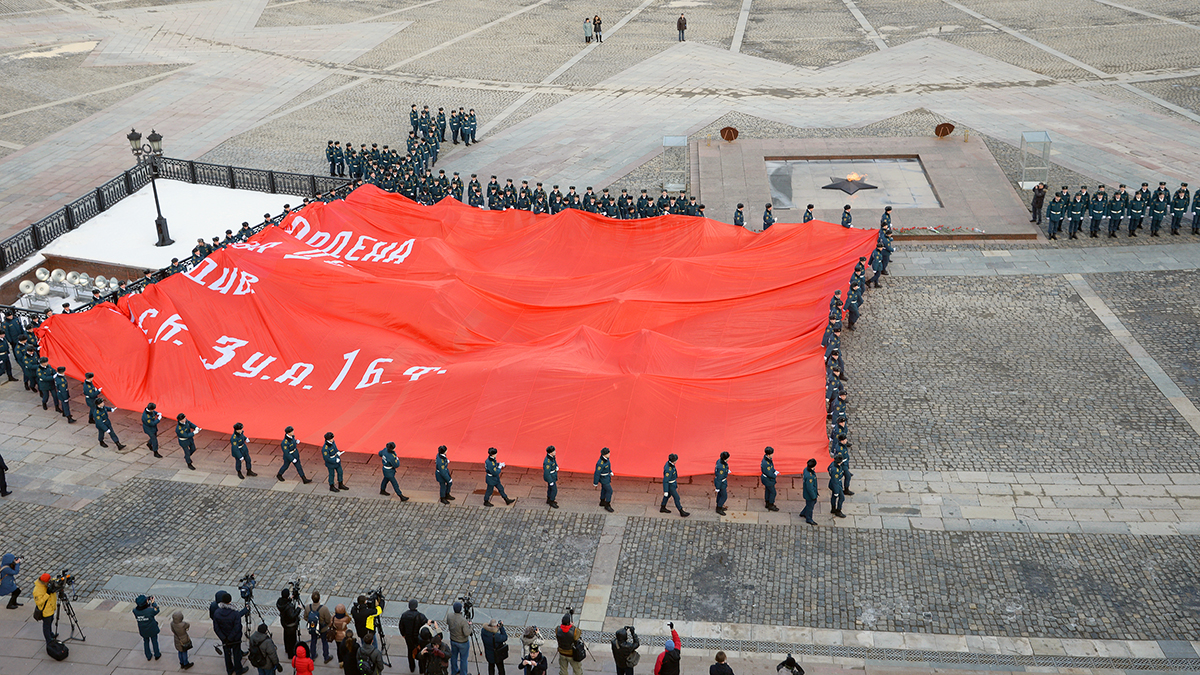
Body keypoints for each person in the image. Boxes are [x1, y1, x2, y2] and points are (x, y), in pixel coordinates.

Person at [213, 590, 251, 674]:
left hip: (224, 638)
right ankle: (238, 670)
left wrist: (224, 638)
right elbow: (236, 627)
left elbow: (216, 628)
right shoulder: (235, 613)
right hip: (235, 638)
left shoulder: (217, 613)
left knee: (227, 654)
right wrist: (230, 638)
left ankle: (229, 670)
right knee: (236, 654)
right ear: (230, 601)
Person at [400, 600, 428, 673]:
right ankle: (421, 669)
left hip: (408, 638)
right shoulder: (420, 616)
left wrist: (403, 634)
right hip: (418, 638)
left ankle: (412, 667)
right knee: (420, 652)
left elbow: (401, 626)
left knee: (410, 651)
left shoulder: (404, 615)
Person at [307, 591, 334, 664]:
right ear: (319, 598)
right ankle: (326, 657)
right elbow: (328, 620)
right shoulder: (324, 608)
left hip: (313, 628)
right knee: (324, 641)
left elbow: (306, 617)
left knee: (313, 640)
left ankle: (312, 656)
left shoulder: (308, 607)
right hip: (323, 629)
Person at [133, 594, 163, 661]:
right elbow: (157, 610)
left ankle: (148, 655)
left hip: (143, 630)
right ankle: (157, 654)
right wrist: (153, 603)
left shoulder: (135, 611)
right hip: (152, 629)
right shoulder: (150, 611)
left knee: (146, 642)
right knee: (154, 641)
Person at [446, 602, 471, 675]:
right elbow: (467, 633)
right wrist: (470, 626)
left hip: (453, 640)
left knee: (454, 656)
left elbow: (448, 623)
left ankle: (454, 671)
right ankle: (463, 673)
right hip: (463, 642)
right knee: (463, 659)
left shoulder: (449, 615)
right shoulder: (463, 620)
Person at [277, 588, 302, 659]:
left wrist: (289, 599)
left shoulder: (280, 602)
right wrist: (298, 609)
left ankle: (287, 649)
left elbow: (285, 603)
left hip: (284, 623)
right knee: (292, 640)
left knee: (286, 637)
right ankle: (291, 654)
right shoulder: (289, 608)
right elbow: (292, 616)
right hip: (291, 625)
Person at [593, 447, 613, 512]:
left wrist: (610, 471)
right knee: (609, 491)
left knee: (604, 489)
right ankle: (607, 504)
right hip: (604, 479)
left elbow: (608, 466)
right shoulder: (600, 463)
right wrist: (595, 483)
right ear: (604, 454)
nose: (609, 454)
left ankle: (602, 501)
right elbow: (597, 473)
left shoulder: (606, 459)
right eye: (608, 453)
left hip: (607, 476)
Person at [800, 458, 819, 525]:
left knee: (809, 504)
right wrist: (813, 496)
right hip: (809, 494)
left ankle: (803, 513)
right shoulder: (809, 476)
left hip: (808, 493)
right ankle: (809, 518)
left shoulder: (806, 470)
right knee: (810, 506)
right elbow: (810, 488)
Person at [761, 446, 779, 512]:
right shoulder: (766, 463)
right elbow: (769, 473)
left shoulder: (767, 460)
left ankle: (767, 502)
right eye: (772, 454)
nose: (773, 455)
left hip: (766, 479)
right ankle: (771, 504)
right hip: (768, 480)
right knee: (773, 492)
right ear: (768, 455)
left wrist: (774, 470)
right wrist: (774, 475)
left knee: (768, 491)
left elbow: (771, 468)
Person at [713, 451, 730, 516]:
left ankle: (719, 505)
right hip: (721, 483)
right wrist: (718, 487)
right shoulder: (721, 468)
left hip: (721, 481)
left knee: (720, 494)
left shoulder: (720, 461)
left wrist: (726, 471)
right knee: (724, 496)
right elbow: (719, 478)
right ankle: (719, 507)